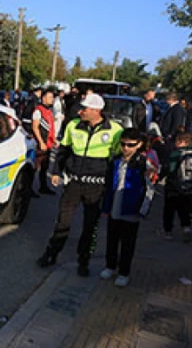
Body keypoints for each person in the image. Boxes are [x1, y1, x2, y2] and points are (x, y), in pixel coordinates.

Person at [37, 93, 124, 276]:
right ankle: (51, 254)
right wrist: (55, 171)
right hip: (74, 183)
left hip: (97, 186)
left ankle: (83, 261)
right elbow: (63, 150)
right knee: (62, 221)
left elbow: (119, 158)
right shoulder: (73, 125)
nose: (80, 111)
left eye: (85, 108)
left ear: (96, 110)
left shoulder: (115, 129)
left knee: (90, 226)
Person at [100, 129, 155, 287]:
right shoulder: (116, 160)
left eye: (130, 145)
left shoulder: (143, 163)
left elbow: (149, 188)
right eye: (123, 144)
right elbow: (108, 184)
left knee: (128, 242)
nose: (126, 148)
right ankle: (110, 265)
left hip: (132, 208)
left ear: (139, 145)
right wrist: (105, 207)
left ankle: (124, 272)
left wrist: (143, 208)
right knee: (112, 238)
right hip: (114, 205)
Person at [160, 132, 192, 243]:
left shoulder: (176, 154)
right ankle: (186, 227)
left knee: (169, 209)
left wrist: (159, 177)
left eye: (177, 141)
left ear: (181, 141)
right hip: (189, 186)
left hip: (173, 186)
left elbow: (169, 169)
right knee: (184, 209)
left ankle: (168, 231)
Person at [32, 88, 59, 196]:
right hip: (40, 145)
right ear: (43, 98)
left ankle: (43, 187)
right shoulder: (38, 111)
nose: (52, 100)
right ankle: (28, 189)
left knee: (45, 167)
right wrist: (41, 142)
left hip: (48, 144)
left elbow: (50, 128)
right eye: (50, 97)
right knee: (35, 168)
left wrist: (54, 140)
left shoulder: (49, 111)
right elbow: (35, 127)